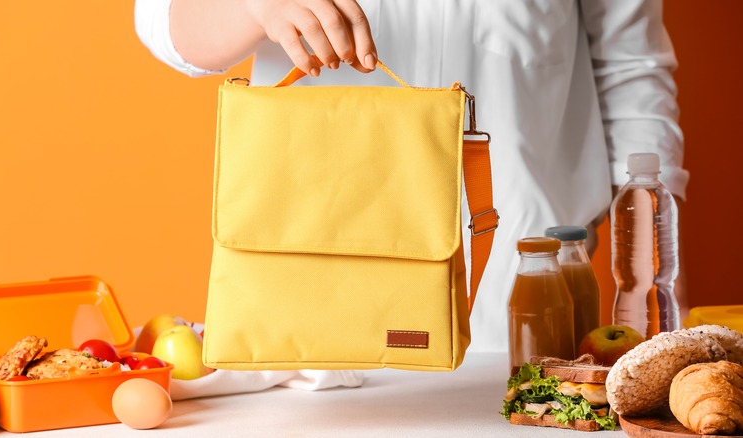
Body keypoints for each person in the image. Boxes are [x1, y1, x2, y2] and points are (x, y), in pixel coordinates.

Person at [133, 0, 689, 353]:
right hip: (306, 312)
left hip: (523, 297)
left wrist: (660, 267)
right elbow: (163, 24)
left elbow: (631, 71)